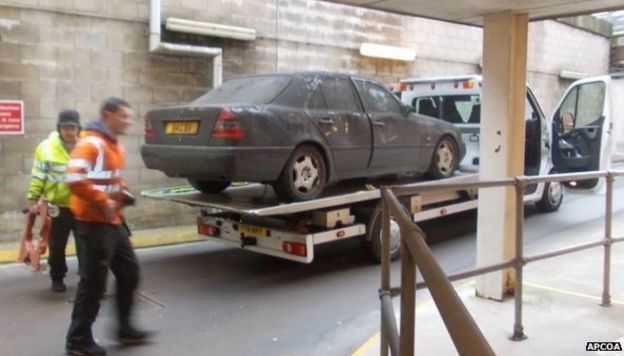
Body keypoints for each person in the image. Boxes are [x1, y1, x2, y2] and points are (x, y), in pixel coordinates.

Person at [64, 98, 150, 355]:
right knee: (93, 284)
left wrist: (123, 191)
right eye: (123, 116)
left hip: (113, 222)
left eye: (129, 116)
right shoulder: (91, 143)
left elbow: (110, 178)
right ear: (107, 115)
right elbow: (74, 178)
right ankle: (78, 340)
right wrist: (103, 202)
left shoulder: (115, 146)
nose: (128, 121)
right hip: (93, 224)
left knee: (129, 273)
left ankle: (125, 329)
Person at [26, 109, 81, 292]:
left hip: (82, 206)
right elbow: (38, 176)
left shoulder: (86, 147)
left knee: (86, 245)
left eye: (72, 127)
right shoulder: (46, 148)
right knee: (57, 246)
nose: (69, 131)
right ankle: (57, 278)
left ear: (78, 128)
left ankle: (87, 278)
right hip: (57, 208)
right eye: (65, 127)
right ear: (59, 127)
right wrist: (33, 198)